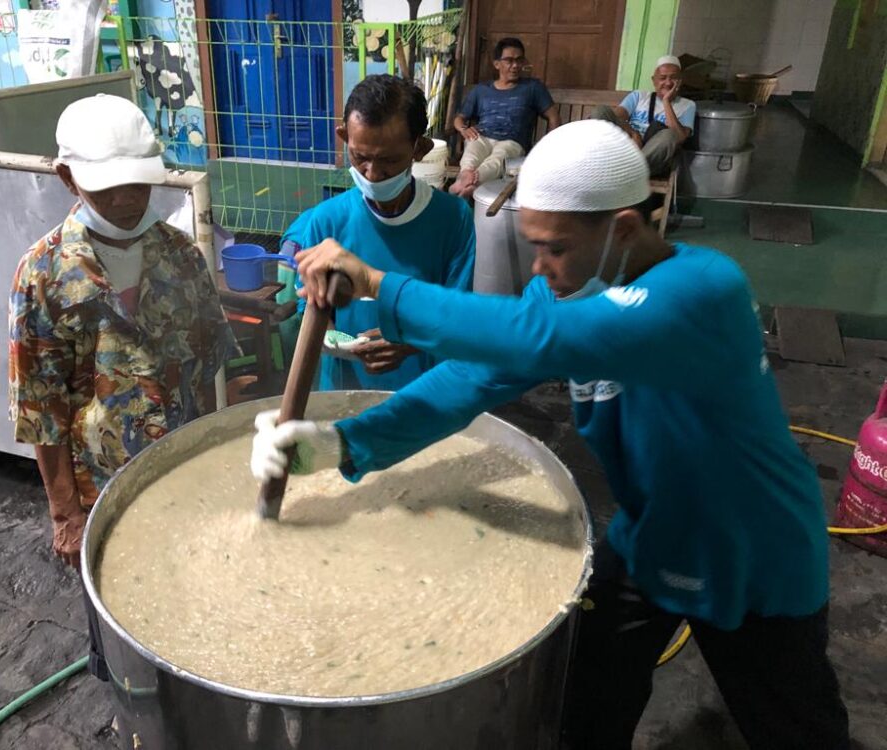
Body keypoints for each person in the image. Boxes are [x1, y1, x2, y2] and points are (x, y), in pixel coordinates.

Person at [251, 120, 851, 749]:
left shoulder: (703, 291)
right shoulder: (566, 292)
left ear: (621, 229)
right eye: (531, 244)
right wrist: (345, 443)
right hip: (654, 539)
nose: (538, 268)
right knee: (585, 706)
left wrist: (377, 284)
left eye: (554, 248)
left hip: (754, 557)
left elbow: (538, 337)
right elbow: (474, 377)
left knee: (794, 727)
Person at [9, 94, 235, 677]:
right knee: (120, 631)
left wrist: (226, 464)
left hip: (186, 477)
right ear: (67, 177)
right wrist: (65, 513)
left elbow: (211, 371)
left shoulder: (181, 257)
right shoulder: (45, 273)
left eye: (139, 184)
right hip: (103, 490)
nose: (130, 199)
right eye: (109, 188)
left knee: (195, 607)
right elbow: (41, 407)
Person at [286, 74, 475, 392]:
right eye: (360, 157)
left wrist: (409, 344)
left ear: (420, 148)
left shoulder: (452, 219)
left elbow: (457, 314)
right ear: (344, 137)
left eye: (389, 160)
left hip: (422, 393)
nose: (372, 174)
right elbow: (312, 312)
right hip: (343, 394)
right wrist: (342, 345)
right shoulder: (326, 222)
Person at [450, 37, 560, 198]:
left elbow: (553, 117)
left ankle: (471, 181)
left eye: (519, 60)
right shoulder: (481, 90)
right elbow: (459, 118)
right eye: (509, 60)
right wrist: (463, 130)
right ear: (497, 64)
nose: (515, 65)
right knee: (471, 151)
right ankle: (466, 178)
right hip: (482, 135)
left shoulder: (533, 88)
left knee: (499, 158)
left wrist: (548, 147)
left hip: (513, 140)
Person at [592, 54, 695, 177]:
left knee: (670, 135)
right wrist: (633, 133)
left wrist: (666, 101)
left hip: (653, 157)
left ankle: (629, 172)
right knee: (601, 111)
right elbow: (615, 118)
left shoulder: (688, 105)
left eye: (673, 78)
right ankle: (621, 167)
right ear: (654, 80)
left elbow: (680, 137)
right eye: (663, 78)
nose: (668, 83)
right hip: (627, 147)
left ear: (680, 81)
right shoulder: (639, 96)